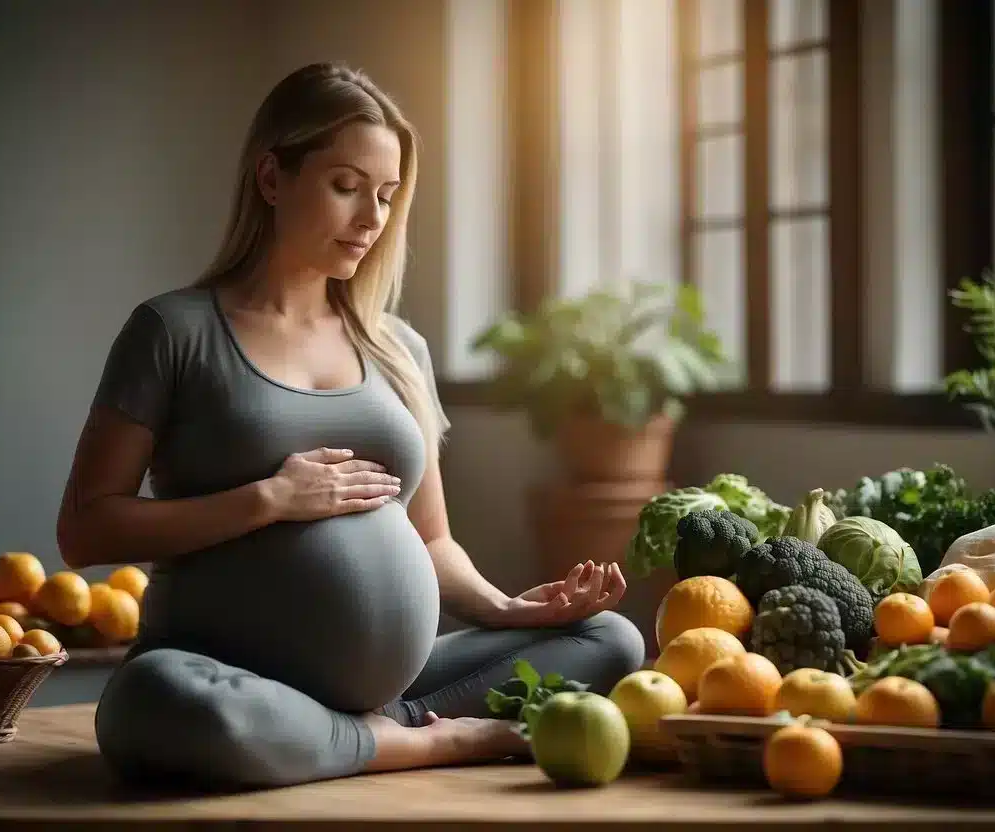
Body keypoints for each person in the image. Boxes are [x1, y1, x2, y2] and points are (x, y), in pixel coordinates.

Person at [56, 61, 645, 792]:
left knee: (610, 639)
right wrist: (265, 501)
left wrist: (502, 605)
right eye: (345, 186)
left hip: (395, 683)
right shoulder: (172, 331)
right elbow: (85, 530)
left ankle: (364, 735)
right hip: (225, 677)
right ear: (272, 179)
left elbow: (430, 537)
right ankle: (436, 742)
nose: (372, 218)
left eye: (387, 196)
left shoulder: (398, 348)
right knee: (160, 705)